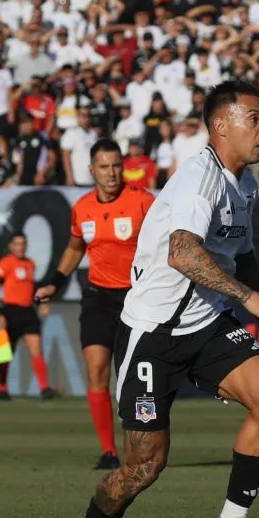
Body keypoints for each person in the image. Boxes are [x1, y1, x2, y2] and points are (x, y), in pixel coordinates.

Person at [60, 80, 259, 518]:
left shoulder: (244, 183)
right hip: (153, 335)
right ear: (221, 125)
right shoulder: (197, 180)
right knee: (144, 466)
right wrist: (248, 299)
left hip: (207, 325)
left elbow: (244, 254)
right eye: (255, 118)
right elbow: (181, 253)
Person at [36, 139, 155, 470]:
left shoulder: (143, 202)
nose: (112, 172)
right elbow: (75, 248)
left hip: (138, 297)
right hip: (99, 297)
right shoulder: (83, 208)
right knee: (96, 370)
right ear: (92, 170)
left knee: (137, 378)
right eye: (104, 166)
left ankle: (144, 447)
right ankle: (108, 451)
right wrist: (54, 284)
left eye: (116, 165)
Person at [0, 234, 55, 400]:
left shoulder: (30, 264)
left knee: (37, 350)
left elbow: (30, 289)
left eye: (23, 244)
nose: (20, 247)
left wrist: (41, 303)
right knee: (5, 353)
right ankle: (2, 389)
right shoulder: (5, 263)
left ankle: (44, 388)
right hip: (10, 311)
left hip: (28, 311)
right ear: (11, 246)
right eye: (17, 244)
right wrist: (0, 313)